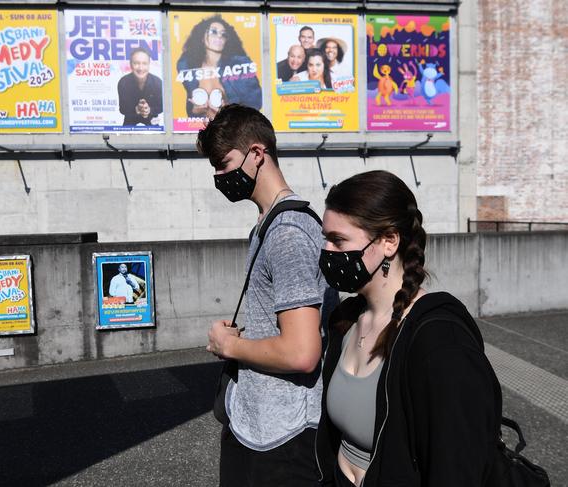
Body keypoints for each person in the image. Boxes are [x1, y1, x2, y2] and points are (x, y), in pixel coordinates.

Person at [315, 170, 500, 486]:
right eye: (326, 238)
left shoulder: (440, 341)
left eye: (338, 240)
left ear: (388, 242)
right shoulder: (345, 321)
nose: (328, 252)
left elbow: (458, 467)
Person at [198, 104, 328, 487]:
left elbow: (301, 352)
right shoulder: (267, 226)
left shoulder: (288, 232)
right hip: (257, 427)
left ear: (257, 154)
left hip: (283, 439)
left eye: (224, 164)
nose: (220, 177)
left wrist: (229, 346)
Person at [176, 15, 262, 121]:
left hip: (230, 130)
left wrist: (226, 111)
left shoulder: (239, 65)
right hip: (202, 130)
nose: (219, 37)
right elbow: (189, 107)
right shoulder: (188, 66)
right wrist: (196, 109)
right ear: (202, 37)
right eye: (213, 32)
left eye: (223, 34)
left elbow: (255, 103)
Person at [117, 47, 163, 126]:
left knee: (157, 135)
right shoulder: (123, 82)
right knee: (124, 137)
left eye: (144, 63)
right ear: (130, 64)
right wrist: (136, 109)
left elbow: (161, 107)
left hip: (152, 118)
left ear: (149, 64)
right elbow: (122, 109)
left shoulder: (158, 82)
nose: (141, 68)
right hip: (130, 117)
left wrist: (149, 110)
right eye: (136, 63)